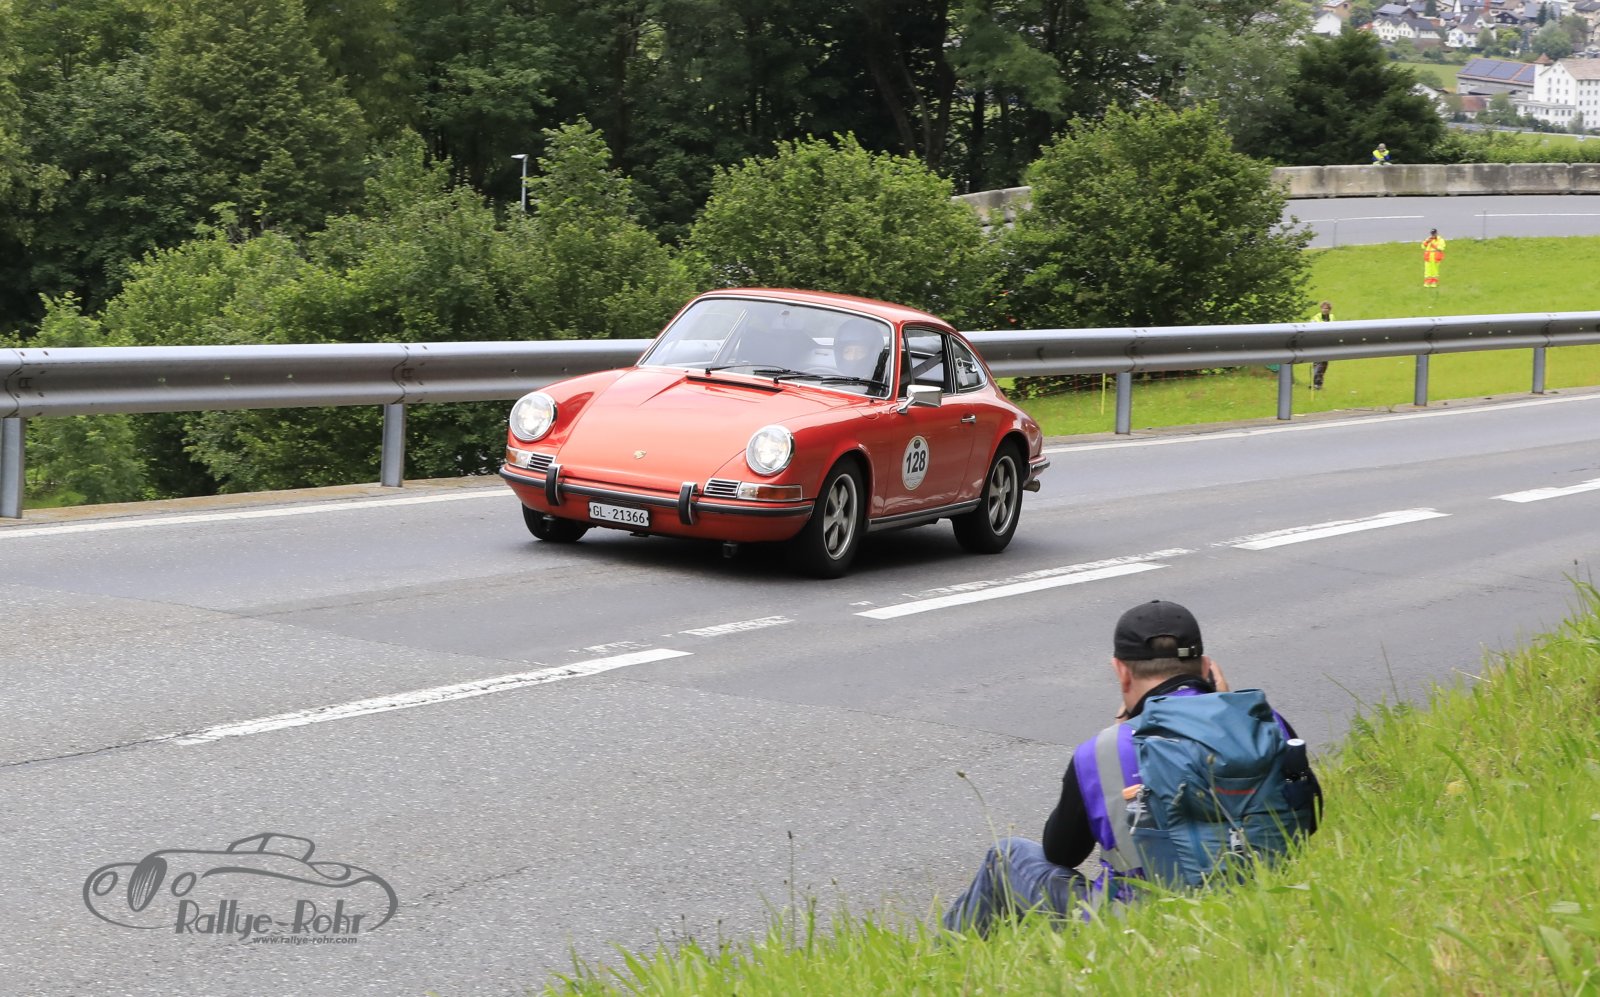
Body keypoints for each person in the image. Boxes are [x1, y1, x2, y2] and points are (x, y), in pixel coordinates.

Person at [941, 600, 1320, 936]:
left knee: (1006, 857)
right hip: (1257, 911)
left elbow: (1061, 854)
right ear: (1206, 667)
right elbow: (1311, 817)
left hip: (1136, 931)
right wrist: (1225, 712)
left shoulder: (1104, 751)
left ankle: (950, 965)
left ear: (1121, 671)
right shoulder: (1270, 724)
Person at [831, 318, 889, 386]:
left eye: (861, 352)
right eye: (848, 352)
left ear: (872, 355)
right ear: (840, 354)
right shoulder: (828, 380)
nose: (853, 357)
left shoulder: (882, 385)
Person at [1309, 300, 1334, 390]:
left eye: (1327, 308)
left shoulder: (1331, 317)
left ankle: (1319, 383)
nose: (1325, 310)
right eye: (1323, 308)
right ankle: (1316, 383)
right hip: (1317, 343)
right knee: (1318, 363)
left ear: (1329, 309)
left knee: (1324, 364)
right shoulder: (1316, 317)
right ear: (1321, 309)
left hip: (1327, 344)